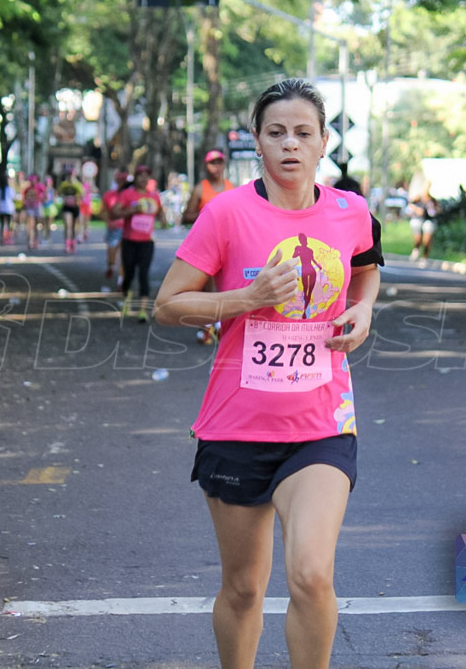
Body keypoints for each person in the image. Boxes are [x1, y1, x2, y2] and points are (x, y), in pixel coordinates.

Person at [154, 78, 382, 669]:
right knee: (245, 587)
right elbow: (169, 304)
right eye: (276, 133)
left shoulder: (351, 212)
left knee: (310, 574)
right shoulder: (226, 213)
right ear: (256, 140)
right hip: (236, 428)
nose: (290, 145)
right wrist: (248, 297)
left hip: (322, 424)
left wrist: (362, 310)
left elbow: (365, 269)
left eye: (303, 133)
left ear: (324, 141)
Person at [115, 164, 162, 322]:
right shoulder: (127, 195)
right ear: (135, 177)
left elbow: (161, 214)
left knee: (144, 274)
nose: (143, 178)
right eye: (140, 175)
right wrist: (131, 211)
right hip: (129, 240)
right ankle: (126, 298)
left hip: (147, 242)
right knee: (128, 272)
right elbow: (115, 212)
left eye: (146, 175)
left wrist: (162, 219)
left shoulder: (154, 196)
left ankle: (143, 310)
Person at [183, 149, 233, 225]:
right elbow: (186, 217)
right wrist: (208, 214)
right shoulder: (199, 189)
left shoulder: (232, 187)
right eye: (212, 163)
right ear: (206, 166)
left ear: (223, 165)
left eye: (219, 163)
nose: (216, 166)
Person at [102, 167, 130, 281]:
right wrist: (108, 221)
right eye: (119, 180)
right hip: (113, 228)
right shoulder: (109, 195)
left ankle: (121, 279)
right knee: (112, 253)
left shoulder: (130, 195)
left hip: (127, 230)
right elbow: (102, 212)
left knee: (124, 255)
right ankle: (111, 266)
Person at [57, 170, 83, 253]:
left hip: (75, 207)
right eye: (69, 175)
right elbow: (59, 193)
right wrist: (65, 198)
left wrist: (76, 198)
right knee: (67, 225)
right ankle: (67, 244)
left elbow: (83, 195)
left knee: (74, 228)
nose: (70, 177)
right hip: (67, 207)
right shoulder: (64, 184)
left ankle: (73, 242)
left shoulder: (78, 184)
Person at [408, 188, 438, 260]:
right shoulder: (418, 198)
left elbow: (438, 210)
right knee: (417, 231)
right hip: (417, 219)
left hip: (428, 220)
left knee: (427, 235)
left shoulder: (433, 200)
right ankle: (416, 248)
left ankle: (425, 256)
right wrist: (417, 209)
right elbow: (410, 204)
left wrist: (434, 209)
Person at [22, 174, 45, 249]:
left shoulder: (40, 186)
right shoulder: (27, 189)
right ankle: (30, 241)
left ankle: (35, 239)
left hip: (37, 207)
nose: (32, 182)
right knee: (30, 225)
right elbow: (24, 197)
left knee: (36, 225)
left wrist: (41, 198)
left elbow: (45, 195)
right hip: (29, 208)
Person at [0, 172, 16, 245]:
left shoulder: (0, 189)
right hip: (9, 208)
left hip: (1, 208)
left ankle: (2, 238)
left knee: (2, 224)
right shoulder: (9, 189)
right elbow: (13, 197)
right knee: (8, 224)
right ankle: (8, 238)